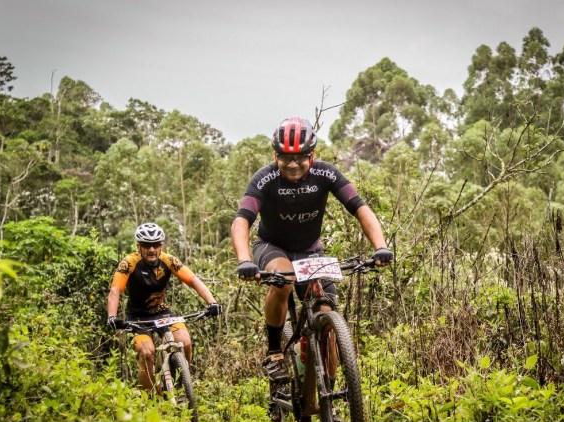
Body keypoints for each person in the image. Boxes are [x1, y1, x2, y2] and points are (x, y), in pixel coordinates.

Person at [230, 116, 393, 381]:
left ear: (312, 155)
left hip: (310, 250)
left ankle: (330, 397)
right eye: (285, 158)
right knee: (283, 280)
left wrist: (381, 246)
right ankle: (274, 352)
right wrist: (244, 259)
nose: (293, 164)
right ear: (275, 155)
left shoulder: (326, 174)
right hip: (272, 246)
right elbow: (242, 221)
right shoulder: (264, 179)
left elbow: (360, 208)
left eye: (300, 157)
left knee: (327, 315)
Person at [106, 222, 221, 392]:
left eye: (156, 245)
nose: (151, 249)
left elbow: (193, 280)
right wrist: (112, 316)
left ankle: (183, 386)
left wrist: (212, 302)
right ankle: (151, 399)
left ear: (161, 245)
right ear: (138, 246)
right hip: (138, 318)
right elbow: (115, 290)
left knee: (185, 342)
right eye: (146, 245)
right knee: (146, 353)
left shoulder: (168, 260)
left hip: (162, 313)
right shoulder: (129, 263)